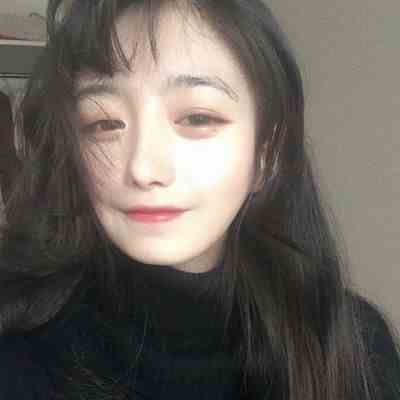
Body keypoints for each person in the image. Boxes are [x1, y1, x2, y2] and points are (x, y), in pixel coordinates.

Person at [0, 0, 399, 399]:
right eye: (104, 123)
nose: (143, 167)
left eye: (198, 118)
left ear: (267, 154)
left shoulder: (355, 349)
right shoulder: (18, 351)